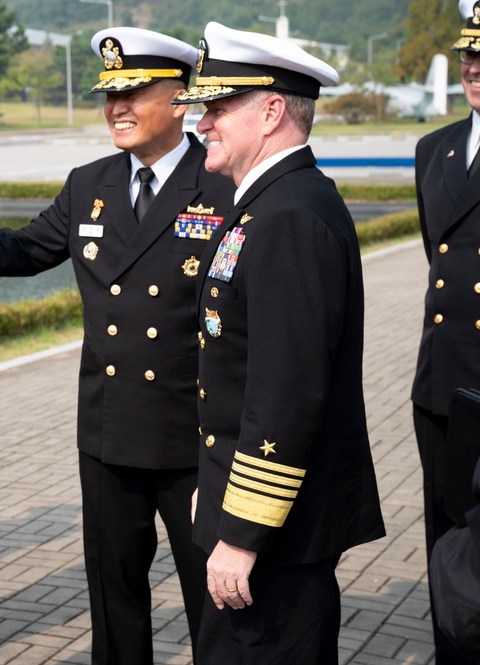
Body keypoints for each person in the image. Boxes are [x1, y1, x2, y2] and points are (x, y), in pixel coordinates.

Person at [0, 28, 236, 664]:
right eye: (109, 95)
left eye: (134, 92)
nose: (117, 108)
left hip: (193, 435)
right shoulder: (89, 181)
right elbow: (22, 250)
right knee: (114, 596)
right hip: (111, 431)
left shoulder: (223, 181)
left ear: (181, 97)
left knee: (214, 597)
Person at [171, 22, 386, 664]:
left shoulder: (289, 215)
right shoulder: (270, 202)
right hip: (253, 507)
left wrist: (241, 534)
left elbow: (285, 394)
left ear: (270, 112)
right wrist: (214, 488)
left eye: (216, 108)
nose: (202, 123)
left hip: (275, 535)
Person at [413, 2, 480, 662]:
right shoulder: (433, 149)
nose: (473, 69)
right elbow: (438, 257)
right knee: (443, 533)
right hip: (438, 382)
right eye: (468, 55)